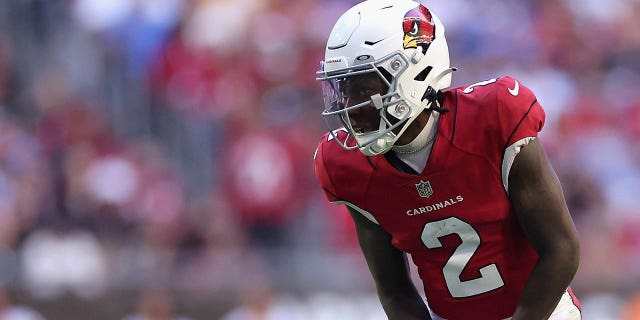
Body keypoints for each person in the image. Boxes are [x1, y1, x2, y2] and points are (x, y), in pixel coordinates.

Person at [313, 1, 582, 319]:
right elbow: (394, 291)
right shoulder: (345, 165)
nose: (350, 107)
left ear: (416, 71)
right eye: (342, 90)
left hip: (542, 310)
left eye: (364, 88)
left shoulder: (493, 118)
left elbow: (562, 249)